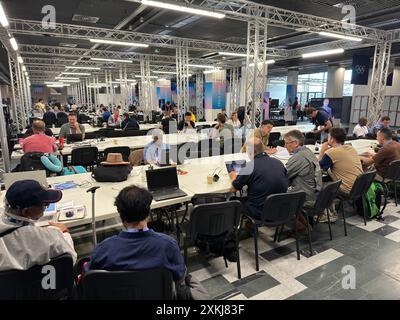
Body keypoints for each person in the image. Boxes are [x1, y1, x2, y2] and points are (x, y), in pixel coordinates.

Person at [86, 185, 208, 300]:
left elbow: (89, 278)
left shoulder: (103, 249)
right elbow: (180, 277)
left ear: (121, 216)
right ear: (148, 214)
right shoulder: (168, 245)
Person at [0, 180, 77, 271]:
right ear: (26, 211)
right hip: (49, 283)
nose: (46, 206)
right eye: (44, 205)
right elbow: (70, 260)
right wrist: (64, 233)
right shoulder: (52, 237)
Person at [230, 137, 288, 220]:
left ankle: (243, 226)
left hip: (260, 211)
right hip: (279, 209)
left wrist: (233, 176)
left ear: (250, 151)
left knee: (233, 200)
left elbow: (233, 190)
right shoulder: (278, 162)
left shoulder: (249, 166)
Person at [319, 127, 363, 195]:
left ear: (331, 139)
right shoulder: (351, 148)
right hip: (360, 187)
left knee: (319, 185)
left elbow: (318, 168)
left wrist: (322, 151)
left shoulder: (331, 152)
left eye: (328, 137)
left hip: (347, 189)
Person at [284, 130, 322, 208]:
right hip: (313, 192)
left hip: (305, 197)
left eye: (286, 143)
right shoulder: (308, 151)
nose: (285, 146)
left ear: (295, 143)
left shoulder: (299, 157)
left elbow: (283, 176)